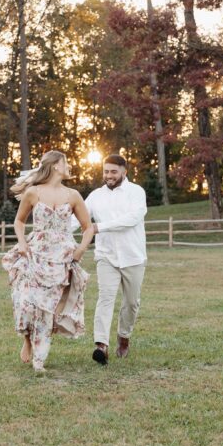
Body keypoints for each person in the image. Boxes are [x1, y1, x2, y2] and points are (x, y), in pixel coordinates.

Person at [1, 150, 96, 373]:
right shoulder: (33, 193)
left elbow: (88, 227)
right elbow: (19, 221)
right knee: (24, 301)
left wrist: (81, 249)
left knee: (47, 309)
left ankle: (39, 359)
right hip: (35, 253)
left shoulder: (73, 195)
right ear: (55, 165)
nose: (69, 166)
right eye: (66, 162)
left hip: (61, 256)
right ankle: (26, 338)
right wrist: (22, 243)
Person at [80, 155, 148, 365]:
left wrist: (99, 227)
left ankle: (123, 337)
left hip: (133, 256)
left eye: (113, 172)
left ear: (124, 172)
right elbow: (79, 218)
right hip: (106, 256)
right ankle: (101, 345)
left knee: (131, 303)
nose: (108, 176)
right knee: (105, 298)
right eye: (106, 171)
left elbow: (132, 219)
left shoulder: (136, 192)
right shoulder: (95, 196)